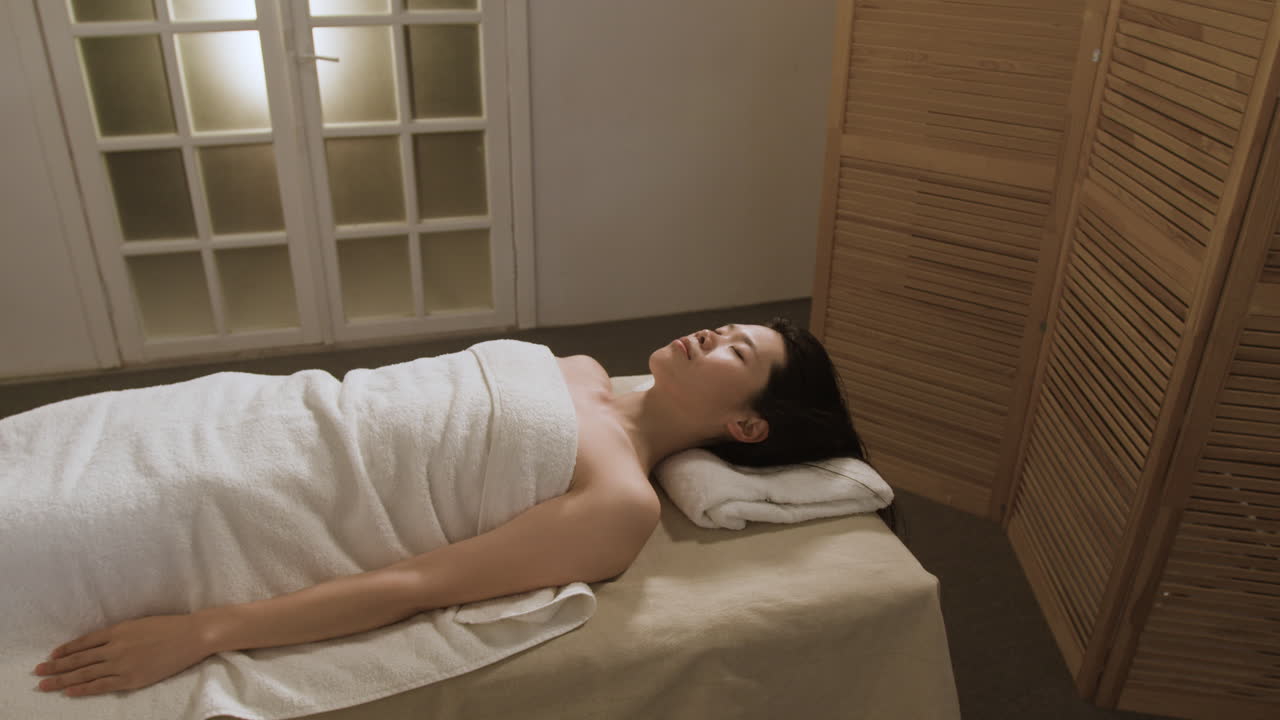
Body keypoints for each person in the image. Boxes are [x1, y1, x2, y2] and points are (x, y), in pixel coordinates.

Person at [33, 317, 895, 698]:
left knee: (38, 531)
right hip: (258, 413)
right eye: (728, 325)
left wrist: (204, 632)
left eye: (735, 349)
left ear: (747, 422)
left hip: (246, 494)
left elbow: (418, 582)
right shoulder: (585, 368)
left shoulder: (621, 501)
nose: (710, 332)